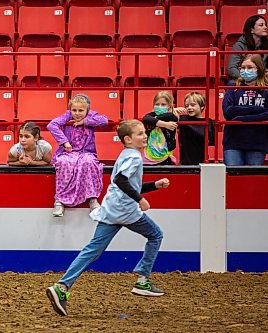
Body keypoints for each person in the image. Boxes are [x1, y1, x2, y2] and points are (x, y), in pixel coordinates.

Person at [46, 119, 169, 317]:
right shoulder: (135, 158)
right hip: (126, 211)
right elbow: (122, 180)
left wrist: (154, 185)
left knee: (93, 250)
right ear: (128, 139)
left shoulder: (126, 154)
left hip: (112, 209)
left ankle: (62, 286)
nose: (144, 136)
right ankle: (142, 280)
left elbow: (126, 182)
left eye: (143, 132)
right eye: (139, 134)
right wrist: (141, 199)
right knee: (156, 235)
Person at [47, 94, 108, 217]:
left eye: (81, 110)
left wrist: (84, 122)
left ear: (87, 110)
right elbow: (51, 125)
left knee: (89, 162)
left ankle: (92, 198)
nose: (77, 113)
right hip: (68, 153)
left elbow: (104, 121)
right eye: (74, 110)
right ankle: (60, 201)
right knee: (64, 163)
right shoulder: (67, 116)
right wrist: (65, 142)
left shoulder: (91, 116)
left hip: (86, 152)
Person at [223, 54, 268, 166]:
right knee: (233, 179)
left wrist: (240, 118)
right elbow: (228, 112)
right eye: (242, 68)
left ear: (259, 69)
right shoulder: (232, 86)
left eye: (249, 67)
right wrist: (257, 110)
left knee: (252, 181)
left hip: (257, 142)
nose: (245, 70)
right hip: (233, 142)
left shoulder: (266, 89)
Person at [177, 92, 215, 165]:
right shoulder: (183, 119)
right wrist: (175, 109)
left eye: (193, 105)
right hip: (185, 163)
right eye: (187, 106)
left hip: (202, 162)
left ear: (202, 106)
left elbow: (211, 141)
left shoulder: (208, 121)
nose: (189, 108)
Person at [142, 91, 179, 165]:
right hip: (148, 156)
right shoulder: (151, 115)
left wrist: (155, 121)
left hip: (164, 157)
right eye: (157, 104)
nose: (160, 107)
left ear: (169, 106)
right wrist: (164, 124)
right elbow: (146, 118)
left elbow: (170, 116)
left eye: (163, 105)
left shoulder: (171, 117)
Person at [227, 15, 268, 80]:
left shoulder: (266, 45)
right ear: (251, 30)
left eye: (265, 25)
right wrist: (246, 78)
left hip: (263, 80)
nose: (265, 27)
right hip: (243, 80)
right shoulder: (239, 46)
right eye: (261, 25)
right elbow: (231, 69)